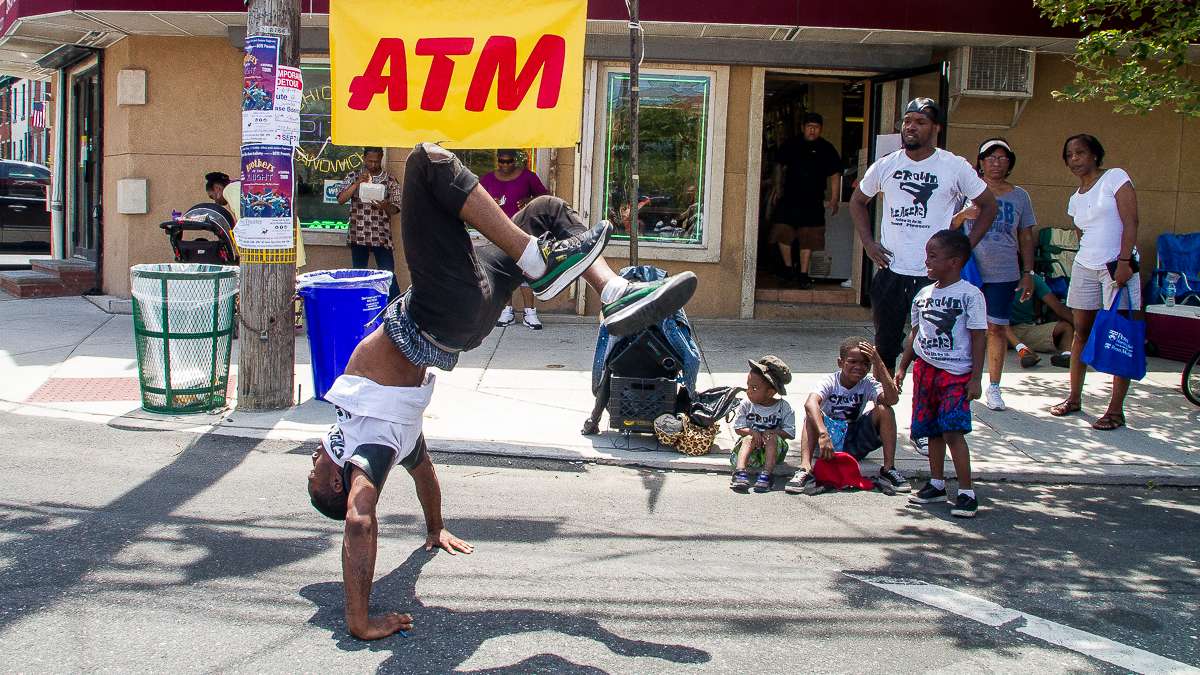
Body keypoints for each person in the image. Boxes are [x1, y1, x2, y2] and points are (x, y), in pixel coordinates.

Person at [308, 143, 698, 640]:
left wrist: (434, 528)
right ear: (336, 485)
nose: (312, 464)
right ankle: (537, 262)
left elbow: (425, 475)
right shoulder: (369, 447)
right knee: (426, 163)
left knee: (545, 211)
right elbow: (360, 520)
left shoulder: (398, 439)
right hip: (438, 312)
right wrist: (358, 619)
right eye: (314, 478)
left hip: (475, 303)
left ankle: (614, 293)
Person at [850, 97, 996, 454]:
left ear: (935, 128)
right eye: (907, 121)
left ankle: (923, 425)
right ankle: (877, 423)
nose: (910, 127)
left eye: (919, 121)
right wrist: (869, 243)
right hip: (891, 272)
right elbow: (858, 201)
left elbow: (988, 205)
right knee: (884, 347)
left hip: (934, 279)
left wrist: (963, 249)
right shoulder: (887, 165)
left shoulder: (954, 166)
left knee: (930, 352)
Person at [1050, 134, 1142, 431]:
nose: (1075, 159)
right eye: (1069, 155)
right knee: (1081, 332)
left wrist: (1125, 261)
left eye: (1080, 153)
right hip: (1085, 266)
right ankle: (1074, 397)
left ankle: (1115, 410)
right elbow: (1081, 235)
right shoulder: (1075, 198)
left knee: (1119, 333)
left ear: (1095, 155)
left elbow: (1132, 221)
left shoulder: (1115, 178)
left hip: (1116, 266)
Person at [895, 229, 987, 518]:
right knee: (931, 429)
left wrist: (975, 377)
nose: (927, 262)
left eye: (933, 257)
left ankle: (966, 491)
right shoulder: (923, 294)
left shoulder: (970, 295)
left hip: (956, 373)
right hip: (926, 371)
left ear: (954, 261)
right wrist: (903, 366)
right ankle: (936, 482)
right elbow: (915, 333)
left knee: (952, 431)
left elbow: (979, 337)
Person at [950, 139, 1037, 411]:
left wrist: (1028, 272)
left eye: (1002, 157)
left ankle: (995, 386)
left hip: (1004, 271)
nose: (996, 162)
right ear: (980, 161)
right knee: (962, 326)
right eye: (990, 157)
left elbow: (1026, 235)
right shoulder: (966, 192)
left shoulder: (1019, 196)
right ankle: (959, 380)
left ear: (1010, 162)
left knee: (996, 328)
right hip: (969, 270)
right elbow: (947, 229)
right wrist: (963, 216)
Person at [786, 337, 907, 495]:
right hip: (828, 442)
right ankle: (805, 469)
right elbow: (810, 403)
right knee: (811, 413)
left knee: (885, 409)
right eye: (852, 362)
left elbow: (892, 399)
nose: (859, 367)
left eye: (865, 363)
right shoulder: (830, 381)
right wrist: (823, 434)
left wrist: (879, 362)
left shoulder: (868, 383)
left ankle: (889, 469)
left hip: (854, 438)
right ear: (840, 363)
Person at [768, 112, 842, 288]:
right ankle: (787, 269)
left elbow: (835, 174)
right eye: (809, 127)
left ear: (821, 129)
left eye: (816, 128)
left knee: (809, 236)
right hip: (789, 197)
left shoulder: (827, 148)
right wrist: (777, 188)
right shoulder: (792, 144)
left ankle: (803, 273)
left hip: (813, 199)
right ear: (803, 128)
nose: (812, 131)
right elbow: (778, 164)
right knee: (782, 231)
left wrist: (834, 198)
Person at [481, 149, 552, 330]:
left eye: (509, 161)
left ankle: (530, 312)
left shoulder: (528, 177)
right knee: (504, 272)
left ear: (516, 161)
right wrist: (491, 201)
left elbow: (546, 197)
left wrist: (529, 199)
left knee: (526, 270)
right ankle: (507, 311)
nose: (505, 165)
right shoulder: (488, 179)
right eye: (501, 162)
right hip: (497, 231)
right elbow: (477, 201)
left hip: (524, 231)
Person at [338, 146, 403, 299]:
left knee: (388, 275)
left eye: (376, 161)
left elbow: (396, 208)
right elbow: (341, 199)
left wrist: (385, 205)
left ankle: (396, 307)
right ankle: (359, 306)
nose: (373, 165)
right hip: (358, 234)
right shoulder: (353, 175)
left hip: (381, 236)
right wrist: (357, 184)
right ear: (364, 159)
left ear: (381, 158)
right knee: (359, 276)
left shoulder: (390, 179)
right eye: (370, 161)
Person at [730, 356, 796, 492]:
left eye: (754, 388)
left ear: (770, 392)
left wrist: (773, 432)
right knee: (748, 438)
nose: (748, 391)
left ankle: (766, 474)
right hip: (752, 453)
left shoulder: (783, 407)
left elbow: (790, 433)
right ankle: (740, 471)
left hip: (773, 451)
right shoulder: (746, 404)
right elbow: (738, 428)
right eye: (748, 386)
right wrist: (752, 432)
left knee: (771, 437)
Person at [1007, 273, 1074, 369]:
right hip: (998, 332)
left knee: (1066, 327)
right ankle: (1024, 351)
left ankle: (1067, 355)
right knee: (997, 322)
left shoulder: (1033, 279)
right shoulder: (992, 278)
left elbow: (1058, 307)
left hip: (1025, 328)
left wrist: (1086, 330)